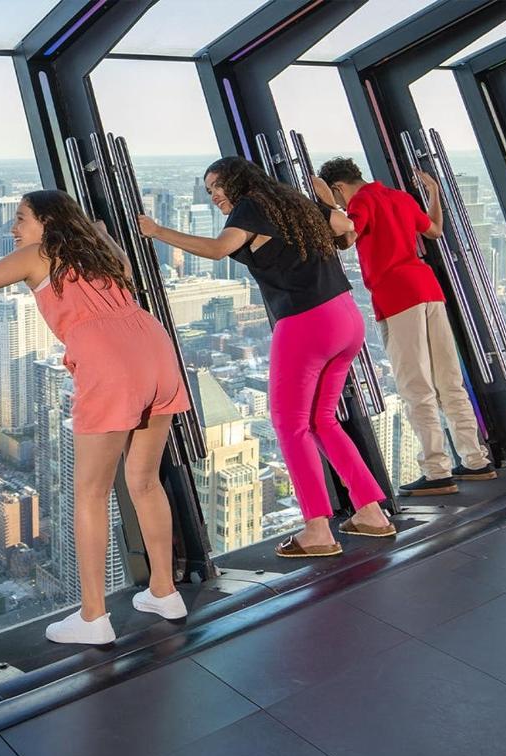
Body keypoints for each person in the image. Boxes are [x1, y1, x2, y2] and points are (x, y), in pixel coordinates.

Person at [0, 189, 190, 645]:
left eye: (21, 218)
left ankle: (94, 617)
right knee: (144, 482)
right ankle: (164, 591)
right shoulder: (102, 254)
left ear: (47, 222)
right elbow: (120, 263)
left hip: (110, 363)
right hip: (155, 350)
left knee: (91, 494)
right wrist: (97, 229)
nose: (13, 228)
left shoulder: (37, 254)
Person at [139, 156, 395, 559]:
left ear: (237, 181)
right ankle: (371, 513)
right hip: (346, 317)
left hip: (307, 322)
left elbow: (218, 250)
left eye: (217, 186)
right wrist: (327, 203)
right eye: (208, 191)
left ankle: (317, 531)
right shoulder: (291, 203)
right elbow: (345, 228)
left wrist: (157, 231)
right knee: (322, 420)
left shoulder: (250, 206)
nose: (214, 195)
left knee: (290, 425)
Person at [313, 158, 496, 496]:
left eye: (336, 196)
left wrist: (326, 204)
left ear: (338, 188)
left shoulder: (361, 202)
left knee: (416, 386)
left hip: (397, 296)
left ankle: (437, 470)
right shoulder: (400, 197)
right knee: (449, 381)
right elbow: (435, 230)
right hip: (429, 290)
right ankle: (475, 460)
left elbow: (346, 236)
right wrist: (434, 193)